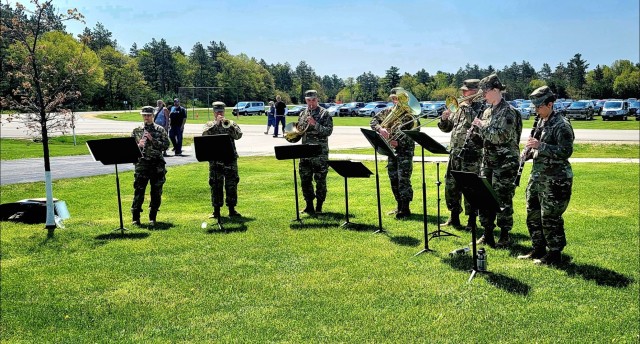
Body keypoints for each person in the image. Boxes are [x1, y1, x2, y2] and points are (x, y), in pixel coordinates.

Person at [517, 86, 574, 265]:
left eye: (539, 106)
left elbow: (566, 151)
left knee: (550, 216)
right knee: (532, 213)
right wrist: (527, 154)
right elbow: (537, 150)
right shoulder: (541, 121)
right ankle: (538, 248)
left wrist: (540, 146)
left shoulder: (562, 124)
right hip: (538, 177)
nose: (536, 110)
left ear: (550, 104)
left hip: (555, 179)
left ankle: (555, 253)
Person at [471, 74, 523, 247]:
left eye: (484, 91)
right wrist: (475, 134)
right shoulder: (487, 111)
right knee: (485, 197)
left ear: (495, 90)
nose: (482, 95)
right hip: (488, 161)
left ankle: (504, 234)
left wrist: (481, 126)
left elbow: (501, 136)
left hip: (505, 163)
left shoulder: (509, 112)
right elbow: (485, 139)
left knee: (503, 199)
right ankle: (487, 232)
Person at [438, 79, 485, 229]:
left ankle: (472, 221)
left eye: (466, 91)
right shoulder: (459, 108)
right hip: (455, 153)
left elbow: (478, 124)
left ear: (476, 91)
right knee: (451, 186)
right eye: (462, 90)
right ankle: (454, 216)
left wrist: (467, 107)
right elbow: (447, 128)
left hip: (472, 154)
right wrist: (444, 119)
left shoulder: (483, 107)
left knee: (470, 188)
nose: (463, 93)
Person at [370, 87, 418, 219]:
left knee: (403, 179)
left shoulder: (410, 115)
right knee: (393, 178)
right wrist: (381, 129)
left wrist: (399, 143)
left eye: (397, 98)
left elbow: (415, 133)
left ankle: (405, 208)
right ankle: (398, 205)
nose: (394, 101)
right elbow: (373, 121)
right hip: (391, 151)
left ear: (404, 98)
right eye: (392, 99)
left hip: (405, 152)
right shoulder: (387, 111)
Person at [202, 101, 243, 218]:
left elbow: (238, 135)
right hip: (215, 160)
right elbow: (204, 135)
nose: (219, 113)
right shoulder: (209, 125)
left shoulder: (231, 123)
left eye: (221, 111)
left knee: (232, 184)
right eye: (217, 112)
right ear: (213, 113)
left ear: (224, 112)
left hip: (230, 159)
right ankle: (216, 210)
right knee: (215, 184)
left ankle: (232, 209)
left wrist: (229, 126)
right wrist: (216, 125)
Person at [131, 106, 170, 226]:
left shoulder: (160, 129)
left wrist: (152, 140)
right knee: (139, 190)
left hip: (156, 164)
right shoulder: (136, 130)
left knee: (156, 191)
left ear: (153, 116)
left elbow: (166, 146)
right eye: (144, 115)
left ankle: (152, 217)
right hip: (142, 164)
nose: (146, 117)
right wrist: (138, 145)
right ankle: (136, 218)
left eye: (148, 115)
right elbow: (130, 148)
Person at [298, 90, 333, 214]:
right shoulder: (303, 113)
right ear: (306, 100)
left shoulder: (325, 114)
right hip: (305, 152)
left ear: (317, 99)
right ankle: (309, 205)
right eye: (308, 100)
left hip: (319, 153)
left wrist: (315, 124)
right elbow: (300, 131)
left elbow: (328, 131)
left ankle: (319, 206)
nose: (311, 103)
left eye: (313, 100)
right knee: (305, 179)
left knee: (320, 180)